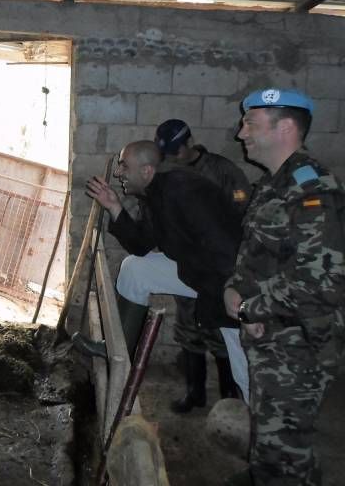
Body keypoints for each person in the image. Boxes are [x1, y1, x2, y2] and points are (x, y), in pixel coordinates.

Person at [223, 89, 344, 486]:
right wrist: (235, 290)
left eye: (250, 124)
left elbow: (319, 284)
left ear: (286, 128)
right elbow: (257, 255)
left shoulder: (313, 190)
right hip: (273, 335)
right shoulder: (274, 184)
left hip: (300, 343)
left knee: (284, 447)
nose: (241, 133)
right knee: (273, 437)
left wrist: (249, 310)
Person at [73, 140, 250, 403]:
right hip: (196, 271)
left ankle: (267, 433)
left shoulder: (185, 189)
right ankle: (116, 350)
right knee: (135, 269)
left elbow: (224, 246)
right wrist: (114, 206)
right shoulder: (155, 194)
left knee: (244, 367)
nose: (119, 173)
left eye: (124, 166)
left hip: (228, 281)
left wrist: (231, 290)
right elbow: (141, 246)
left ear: (146, 171)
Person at [154, 119, 251, 412]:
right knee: (188, 325)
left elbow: (242, 202)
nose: (173, 156)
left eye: (177, 151)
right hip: (187, 263)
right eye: (168, 152)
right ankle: (195, 393)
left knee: (220, 328)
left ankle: (229, 398)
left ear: (190, 142)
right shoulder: (168, 171)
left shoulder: (221, 170)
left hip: (217, 265)